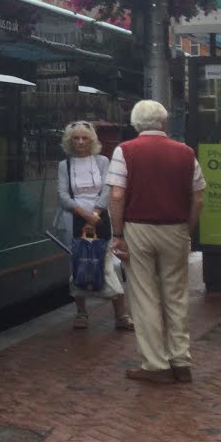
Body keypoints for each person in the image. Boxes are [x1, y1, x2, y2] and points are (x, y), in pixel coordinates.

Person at [108, 100, 206, 384]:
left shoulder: (125, 150)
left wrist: (117, 234)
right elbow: (198, 197)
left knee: (144, 295)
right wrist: (186, 228)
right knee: (176, 295)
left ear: (136, 124)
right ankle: (181, 360)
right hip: (175, 227)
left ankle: (155, 363)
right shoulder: (186, 152)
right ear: (164, 122)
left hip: (137, 227)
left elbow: (116, 195)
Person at [57, 120, 133, 331]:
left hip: (101, 220)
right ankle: (81, 313)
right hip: (74, 220)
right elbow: (63, 195)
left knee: (110, 264)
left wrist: (96, 213)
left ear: (92, 141)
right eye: (76, 138)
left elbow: (108, 190)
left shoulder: (102, 161)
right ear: (69, 141)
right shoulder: (65, 165)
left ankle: (121, 315)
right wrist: (83, 214)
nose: (81, 142)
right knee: (78, 264)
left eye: (85, 138)